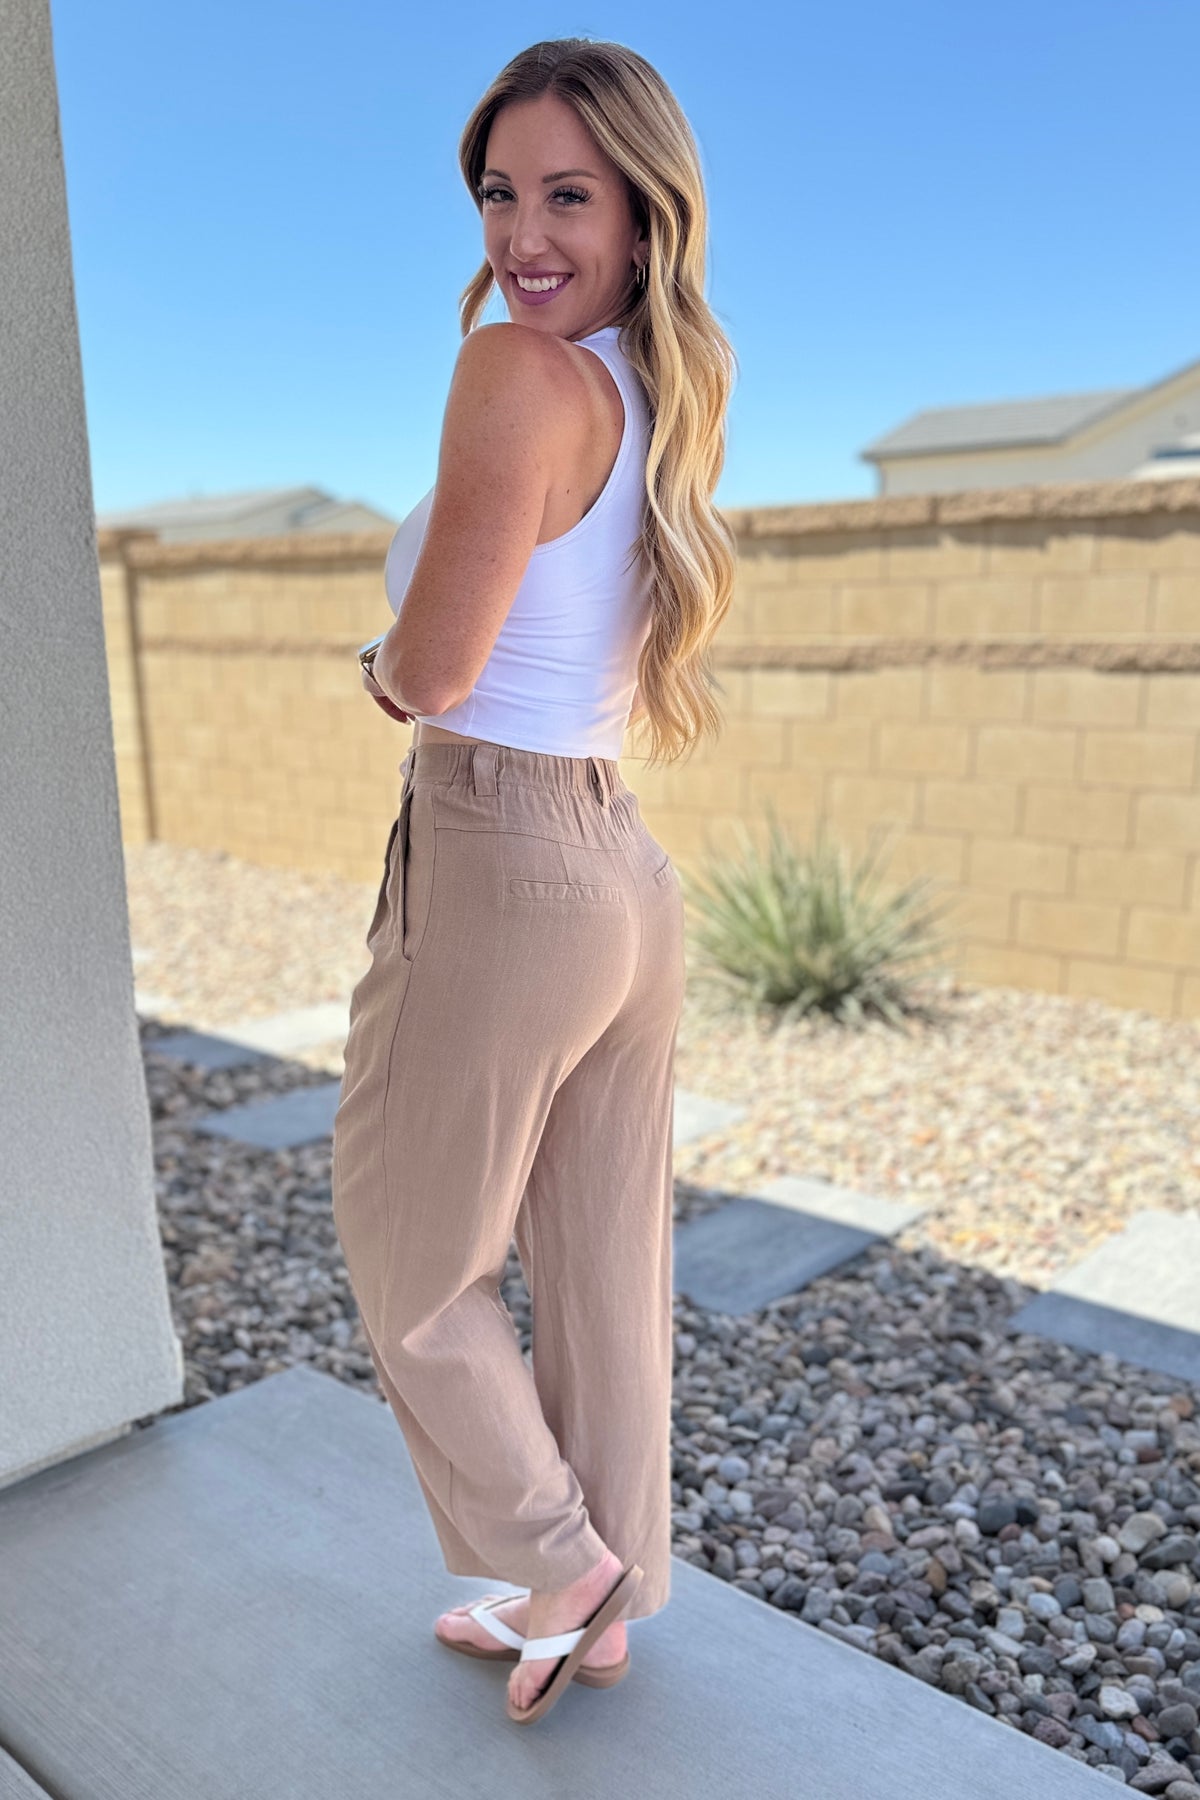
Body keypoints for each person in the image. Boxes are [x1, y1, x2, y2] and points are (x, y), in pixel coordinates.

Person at [331, 35, 736, 1726]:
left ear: (645, 212)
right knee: (597, 1260)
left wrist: (371, 662)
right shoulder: (658, 396)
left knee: (408, 1249)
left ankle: (556, 1563)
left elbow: (434, 670)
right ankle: (605, 1601)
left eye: (569, 195)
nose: (523, 235)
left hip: (501, 855)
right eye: (501, 194)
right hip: (621, 871)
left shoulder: (515, 371)